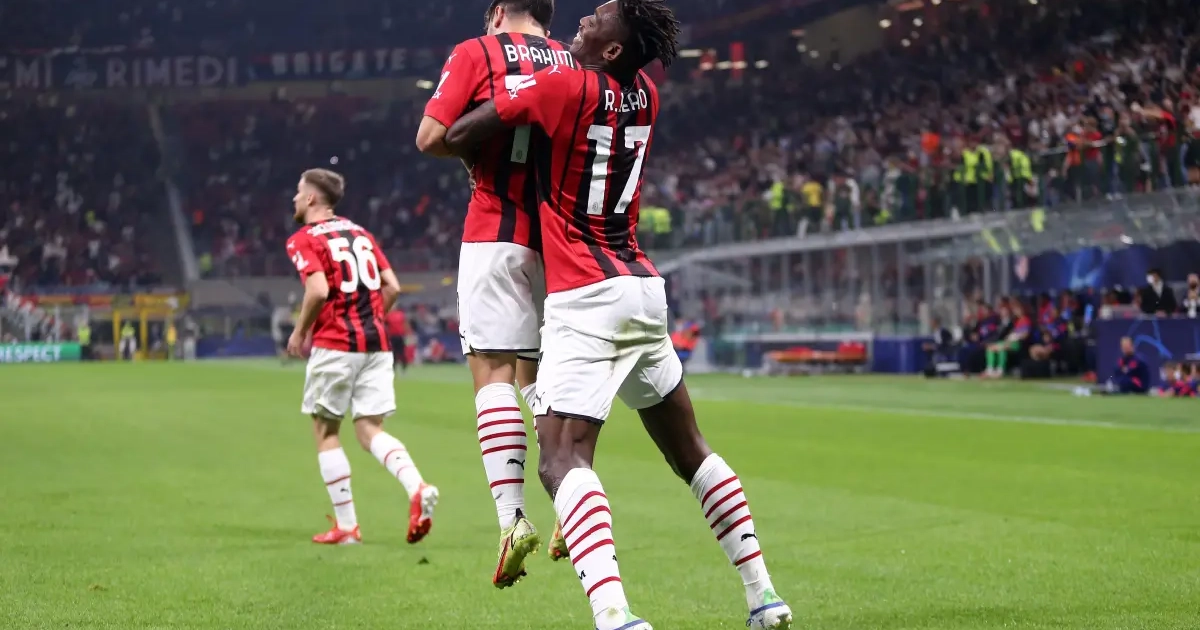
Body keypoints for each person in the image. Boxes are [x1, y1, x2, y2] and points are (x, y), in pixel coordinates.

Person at [444, 2, 792, 628]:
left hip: (584, 294)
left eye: (598, 19)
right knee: (692, 450)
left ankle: (614, 616)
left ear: (611, 50)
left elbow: (457, 133)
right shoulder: (647, 95)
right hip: (641, 288)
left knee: (561, 459)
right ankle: (764, 596)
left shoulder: (562, 85)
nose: (584, 20)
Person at [415, 0, 578, 589]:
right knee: (540, 378)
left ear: (501, 10)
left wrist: (474, 145)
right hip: (561, 241)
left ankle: (512, 521)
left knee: (493, 373)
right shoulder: (573, 62)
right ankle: (574, 501)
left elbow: (430, 137)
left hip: (495, 230)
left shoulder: (477, 52)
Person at [285, 168, 439, 546]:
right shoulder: (361, 234)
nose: (294, 198)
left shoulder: (303, 239)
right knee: (370, 430)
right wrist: (368, 319)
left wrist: (300, 331)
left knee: (326, 432)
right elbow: (393, 287)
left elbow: (317, 290)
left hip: (335, 345)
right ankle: (417, 486)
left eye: (299, 192)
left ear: (311, 198)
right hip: (377, 345)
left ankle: (347, 527)